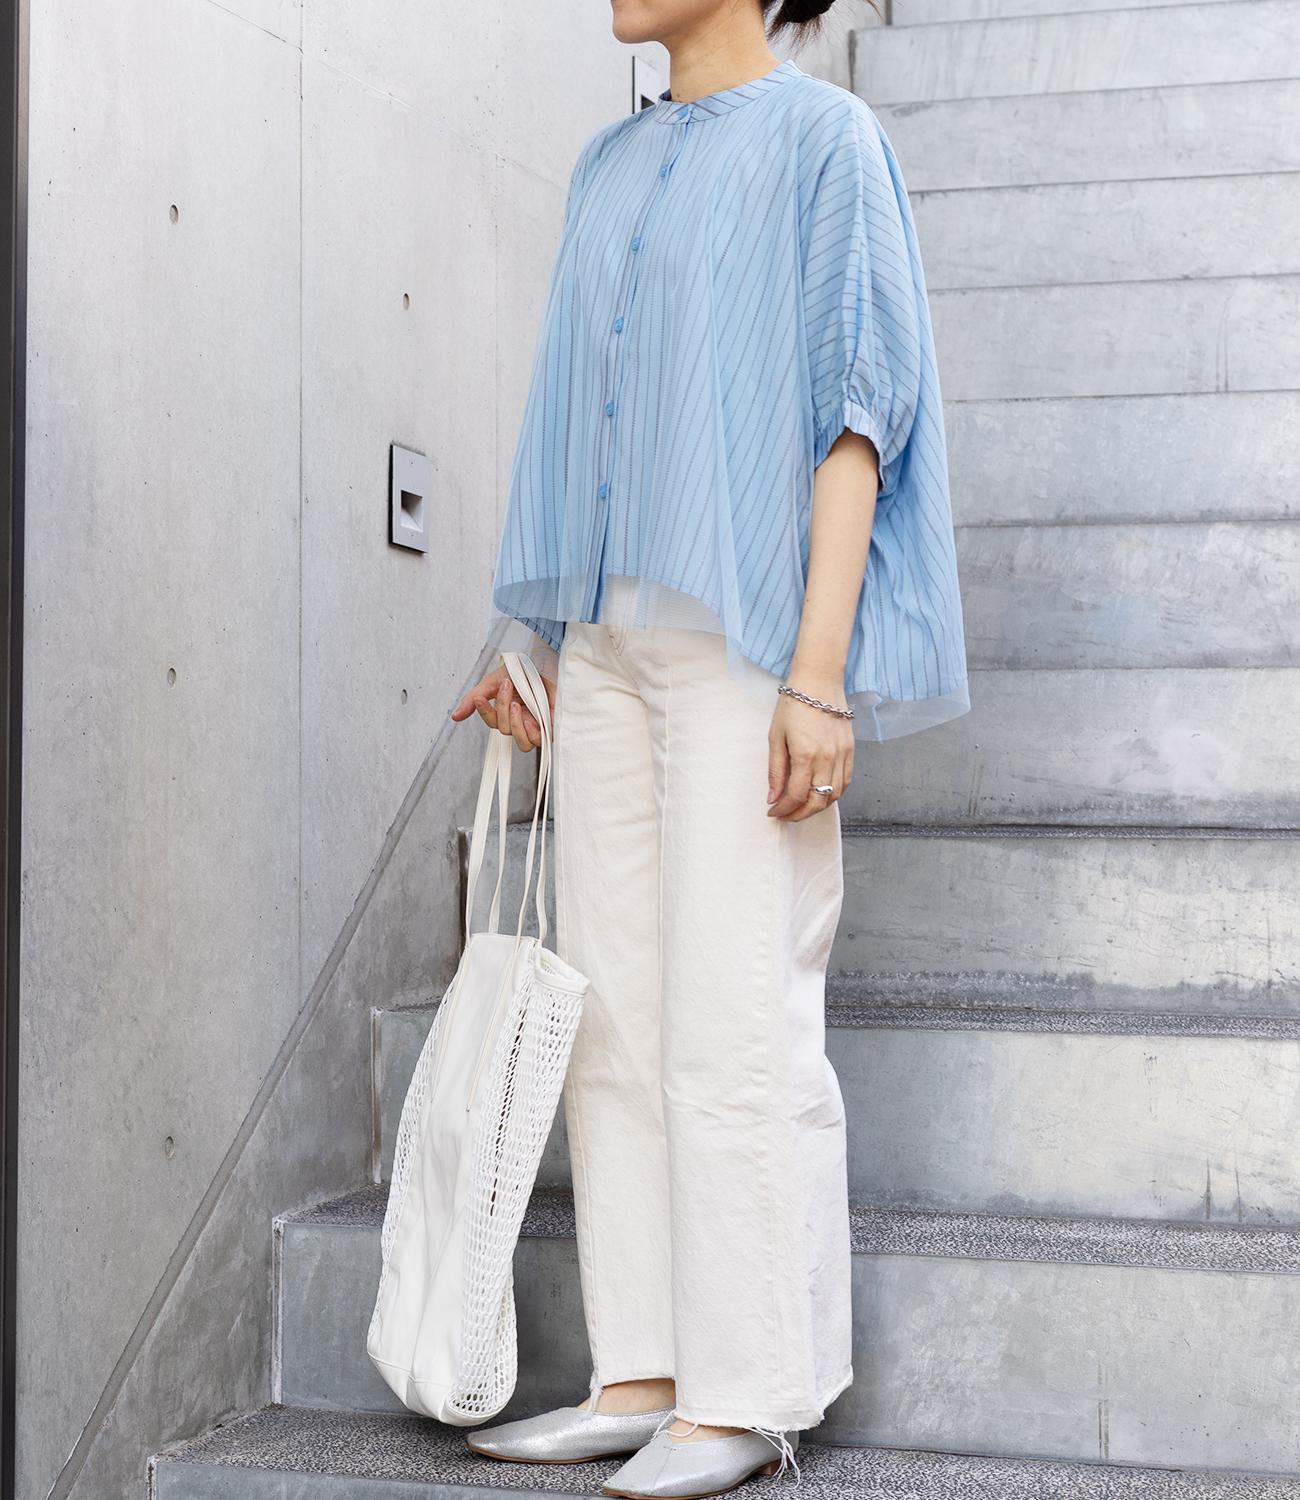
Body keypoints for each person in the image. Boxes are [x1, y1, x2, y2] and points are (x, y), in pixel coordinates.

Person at [449, 0, 969, 1493]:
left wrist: (822, 676)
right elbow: (580, 425)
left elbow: (859, 413)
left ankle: (750, 1390)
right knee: (614, 1017)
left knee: (738, 1012)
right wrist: (534, 644)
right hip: (607, 646)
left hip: (747, 648)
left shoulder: (827, 141)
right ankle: (643, 1369)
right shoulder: (605, 166)